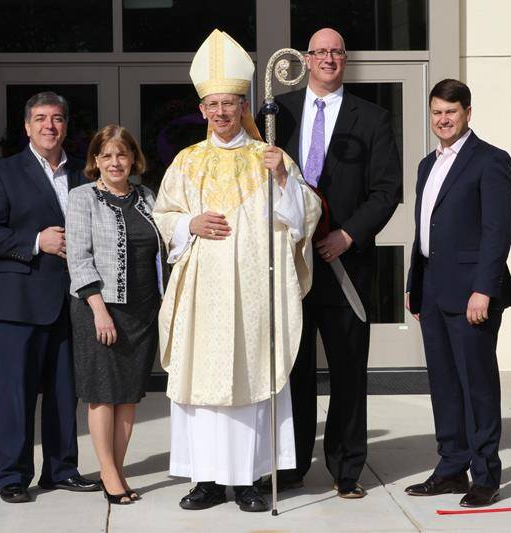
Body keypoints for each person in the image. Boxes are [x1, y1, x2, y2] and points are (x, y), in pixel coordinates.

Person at [152, 29, 321, 513]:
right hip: (203, 298)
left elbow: (304, 216)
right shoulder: (187, 162)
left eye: (230, 104)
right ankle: (206, 480)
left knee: (251, 382)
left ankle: (249, 479)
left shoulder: (267, 157)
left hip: (253, 296)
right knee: (203, 388)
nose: (222, 113)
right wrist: (190, 222)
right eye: (214, 105)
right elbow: (162, 217)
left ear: (243, 104)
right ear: (202, 109)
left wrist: (284, 177)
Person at [268, 27, 402, 498]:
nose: (328, 59)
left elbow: (387, 191)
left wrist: (348, 235)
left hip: (346, 264)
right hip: (291, 265)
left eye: (336, 52)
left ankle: (347, 468)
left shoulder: (373, 117)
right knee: (294, 369)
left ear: (345, 59)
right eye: (320, 52)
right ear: (306, 59)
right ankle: (293, 465)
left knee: (348, 370)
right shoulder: (276, 114)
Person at [0, 91, 100, 503]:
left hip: (71, 301)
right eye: (41, 118)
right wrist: (35, 241)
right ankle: (12, 476)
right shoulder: (2, 172)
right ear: (27, 126)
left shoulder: (83, 174)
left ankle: (61, 468)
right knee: (16, 394)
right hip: (20, 303)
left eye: (57, 118)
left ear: (66, 126)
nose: (49, 125)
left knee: (65, 392)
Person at [404, 79, 511, 507]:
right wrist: (415, 286)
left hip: (473, 293)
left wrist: (483, 291)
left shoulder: (490, 160)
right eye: (436, 112)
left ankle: (485, 475)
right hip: (433, 289)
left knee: (478, 386)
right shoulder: (425, 165)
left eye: (451, 111)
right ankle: (451, 467)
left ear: (468, 113)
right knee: (444, 384)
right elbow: (425, 231)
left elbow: (497, 232)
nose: (443, 119)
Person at [66, 125, 168, 505]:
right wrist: (99, 310)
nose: (114, 162)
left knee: (129, 396)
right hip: (100, 310)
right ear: (95, 161)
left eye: (121, 154)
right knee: (102, 396)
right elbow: (78, 257)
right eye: (106, 155)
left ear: (133, 159)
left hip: (143, 310)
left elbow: (166, 244)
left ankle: (118, 470)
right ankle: (109, 473)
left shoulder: (147, 196)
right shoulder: (83, 198)